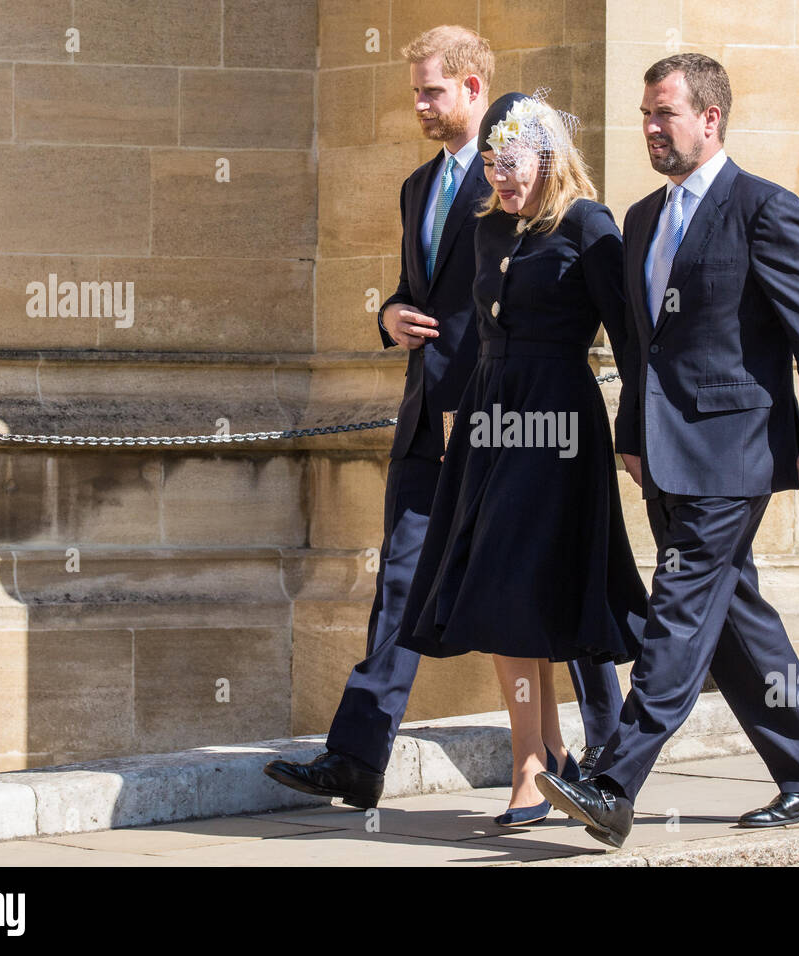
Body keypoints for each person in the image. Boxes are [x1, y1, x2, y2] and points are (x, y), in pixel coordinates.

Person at [263, 27, 623, 811]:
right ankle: (358, 757)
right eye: (416, 91)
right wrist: (389, 314)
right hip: (430, 418)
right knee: (401, 582)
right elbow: (415, 293)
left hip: (508, 424)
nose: (419, 105)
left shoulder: (525, 178)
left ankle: (608, 753)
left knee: (561, 578)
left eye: (431, 90)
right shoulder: (418, 187)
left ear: (472, 88)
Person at [536, 53, 799, 848]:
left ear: (710, 119)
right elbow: (642, 346)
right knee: (733, 616)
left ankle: (612, 780)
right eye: (646, 113)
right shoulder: (642, 219)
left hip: (733, 452)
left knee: (676, 610)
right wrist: (632, 437)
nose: (650, 127)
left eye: (664, 114)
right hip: (665, 455)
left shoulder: (764, 210)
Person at [394, 91, 647, 826]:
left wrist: (635, 432)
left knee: (526, 585)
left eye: (515, 163)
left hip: (559, 426)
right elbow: (472, 334)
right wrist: (455, 417)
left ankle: (536, 764)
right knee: (503, 587)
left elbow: (628, 341)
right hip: (489, 420)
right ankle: (540, 756)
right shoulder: (487, 229)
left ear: (549, 157)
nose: (502, 177)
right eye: (494, 164)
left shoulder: (588, 225)